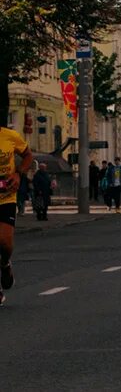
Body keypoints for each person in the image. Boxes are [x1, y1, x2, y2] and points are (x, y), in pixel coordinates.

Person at [0, 121, 34, 306]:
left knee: (5, 242)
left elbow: (28, 155)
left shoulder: (9, 136)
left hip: (5, 196)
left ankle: (5, 264)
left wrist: (19, 173)